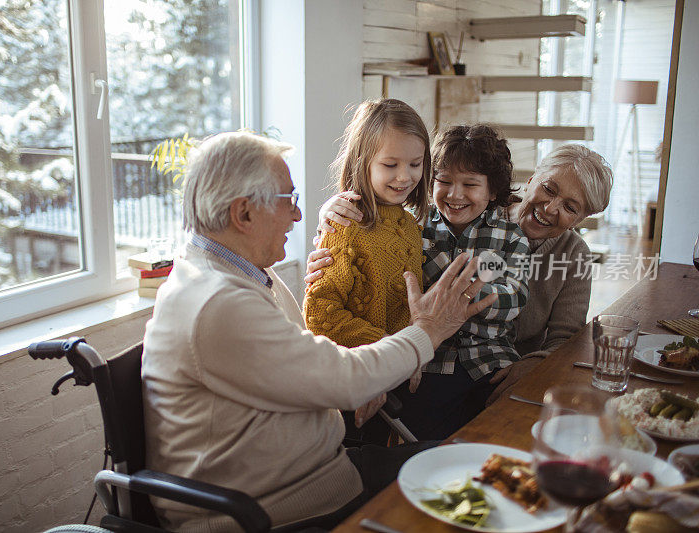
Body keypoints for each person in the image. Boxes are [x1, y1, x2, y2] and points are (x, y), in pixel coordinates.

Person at [141, 131, 497, 532]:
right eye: (287, 201)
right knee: (474, 489)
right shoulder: (217, 301)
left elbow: (304, 356)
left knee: (473, 467)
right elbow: (345, 380)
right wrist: (427, 331)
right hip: (276, 511)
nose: (298, 215)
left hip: (321, 476)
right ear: (243, 215)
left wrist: (370, 366)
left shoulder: (240, 275)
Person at [308, 142, 613, 430]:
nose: (550, 207)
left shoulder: (574, 255)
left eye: (570, 207)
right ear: (532, 179)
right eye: (548, 189)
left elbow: (567, 339)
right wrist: (333, 226)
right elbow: (377, 241)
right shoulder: (461, 210)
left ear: (582, 218)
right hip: (434, 357)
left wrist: (534, 365)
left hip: (501, 365)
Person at [302, 99, 430, 442]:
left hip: (396, 374)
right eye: (390, 164)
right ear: (363, 162)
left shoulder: (409, 224)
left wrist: (411, 356)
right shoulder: (345, 223)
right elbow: (321, 315)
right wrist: (390, 350)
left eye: (415, 164)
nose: (405, 176)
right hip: (356, 379)